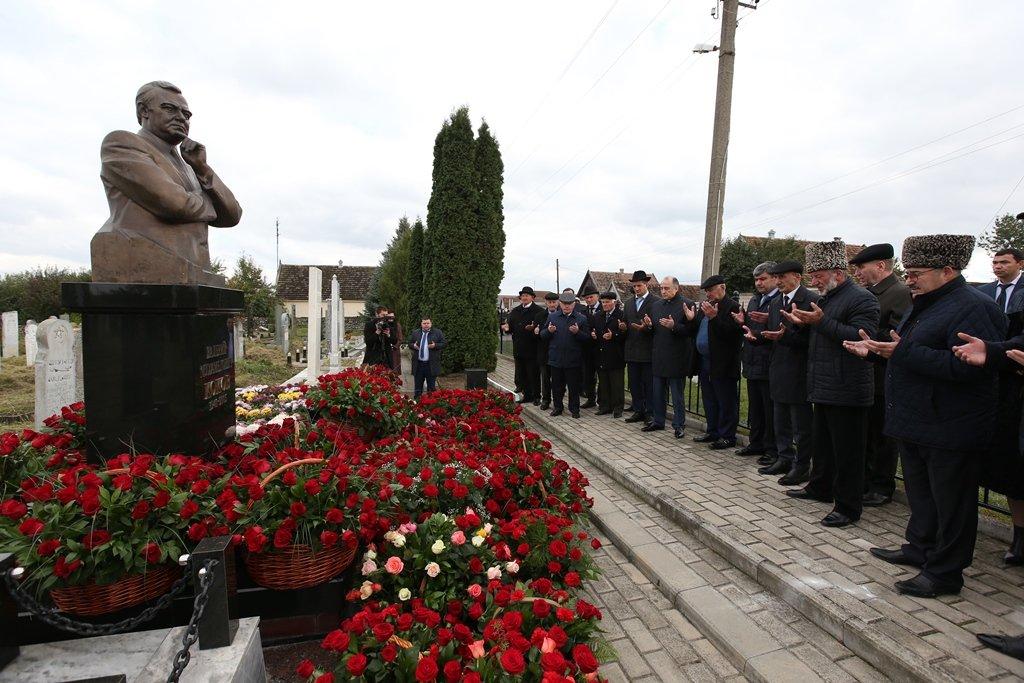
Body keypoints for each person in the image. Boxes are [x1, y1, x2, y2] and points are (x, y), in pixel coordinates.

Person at [849, 234, 1004, 598]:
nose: (909, 279)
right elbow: (906, 352)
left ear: (947, 270)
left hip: (950, 424)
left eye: (917, 272)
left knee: (951, 504)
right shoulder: (924, 303)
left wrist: (899, 354)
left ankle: (945, 573)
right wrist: (874, 352)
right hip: (916, 421)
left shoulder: (973, 307)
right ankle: (919, 547)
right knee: (923, 495)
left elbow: (969, 367)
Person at [92, 81, 243, 286]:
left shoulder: (190, 166)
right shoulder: (121, 144)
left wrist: (203, 168)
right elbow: (174, 203)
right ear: (144, 111)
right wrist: (211, 205)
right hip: (144, 265)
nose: (181, 117)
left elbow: (233, 215)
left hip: (192, 273)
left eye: (186, 114)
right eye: (169, 108)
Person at [785, 239, 879, 528]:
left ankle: (848, 507)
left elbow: (861, 336)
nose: (814, 281)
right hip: (824, 385)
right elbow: (818, 338)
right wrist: (799, 326)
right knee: (823, 445)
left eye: (819, 275)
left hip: (847, 387)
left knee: (848, 452)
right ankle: (820, 487)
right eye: (812, 276)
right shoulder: (827, 298)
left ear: (838, 272)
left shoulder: (862, 298)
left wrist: (820, 322)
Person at [849, 243, 912, 507]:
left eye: (862, 267)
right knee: (867, 435)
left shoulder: (899, 293)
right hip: (865, 376)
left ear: (881, 266)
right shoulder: (869, 293)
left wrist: (868, 338)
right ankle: (864, 481)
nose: (859, 273)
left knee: (883, 436)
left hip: (883, 378)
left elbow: (899, 333)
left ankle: (881, 486)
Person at [975, 246, 1024, 564]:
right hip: (1009, 389)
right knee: (1014, 471)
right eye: (994, 261)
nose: (997, 266)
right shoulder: (984, 293)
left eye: (1004, 261)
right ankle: (1020, 538)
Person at [751, 260, 820, 484]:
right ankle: (784, 457)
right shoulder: (776, 302)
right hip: (778, 368)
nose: (779, 281)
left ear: (797, 277)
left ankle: (802, 466)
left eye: (783, 277)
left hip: (799, 370)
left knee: (800, 424)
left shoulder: (811, 301)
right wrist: (758, 338)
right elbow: (774, 335)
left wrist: (785, 336)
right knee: (780, 419)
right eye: (777, 277)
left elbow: (812, 340)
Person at [733, 263, 780, 459]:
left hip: (769, 362)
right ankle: (756, 442)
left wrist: (759, 334)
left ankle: (771, 449)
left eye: (763, 279)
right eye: (756, 279)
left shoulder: (779, 301)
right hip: (752, 361)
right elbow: (749, 328)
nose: (759, 283)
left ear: (775, 278)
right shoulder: (754, 300)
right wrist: (742, 323)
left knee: (770, 410)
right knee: (755, 408)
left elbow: (778, 329)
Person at [692, 275, 744, 449]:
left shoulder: (732, 306)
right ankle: (712, 430)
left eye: (711, 290)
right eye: (706, 291)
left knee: (725, 400)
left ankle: (727, 436)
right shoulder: (706, 307)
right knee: (709, 399)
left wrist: (715, 318)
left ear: (722, 287)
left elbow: (733, 335)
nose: (708, 294)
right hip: (705, 361)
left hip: (723, 363)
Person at [642, 277, 697, 438]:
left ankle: (679, 425)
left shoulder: (687, 304)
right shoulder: (656, 305)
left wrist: (675, 327)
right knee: (657, 392)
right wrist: (649, 325)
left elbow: (691, 331)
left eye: (666, 288)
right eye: (661, 288)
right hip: (659, 355)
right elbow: (653, 332)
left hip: (677, 357)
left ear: (676, 288)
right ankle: (658, 421)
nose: (663, 291)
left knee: (677, 395)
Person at [540, 291, 591, 418]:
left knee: (573, 387)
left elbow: (587, 339)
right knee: (557, 386)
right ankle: (558, 407)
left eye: (569, 304)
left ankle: (575, 409)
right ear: (560, 304)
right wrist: (549, 331)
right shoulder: (553, 317)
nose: (566, 306)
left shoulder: (581, 318)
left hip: (573, 360)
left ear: (574, 304)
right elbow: (542, 335)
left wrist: (578, 332)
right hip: (556, 358)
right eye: (564, 304)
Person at [623, 271, 658, 425]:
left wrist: (647, 327)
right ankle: (638, 410)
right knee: (634, 383)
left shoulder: (655, 302)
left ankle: (650, 413)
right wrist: (623, 327)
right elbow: (625, 323)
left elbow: (657, 328)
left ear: (646, 284)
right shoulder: (628, 303)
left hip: (648, 351)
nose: (636, 288)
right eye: (634, 286)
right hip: (632, 351)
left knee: (649, 385)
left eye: (639, 285)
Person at [502, 287, 544, 405]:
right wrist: (506, 329)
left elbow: (541, 329)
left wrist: (534, 329)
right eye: (523, 295)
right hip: (519, 347)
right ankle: (527, 395)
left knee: (533, 374)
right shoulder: (516, 311)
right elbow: (510, 327)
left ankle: (536, 396)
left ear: (532, 297)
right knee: (522, 374)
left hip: (532, 348)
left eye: (527, 295)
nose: (524, 297)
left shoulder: (538, 311)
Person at [593, 291, 626, 417]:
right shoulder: (598, 315)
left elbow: (625, 335)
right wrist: (594, 335)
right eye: (603, 302)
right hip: (601, 354)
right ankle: (605, 406)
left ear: (614, 302)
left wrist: (615, 335)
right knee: (604, 383)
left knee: (616, 384)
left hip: (616, 355)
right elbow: (594, 330)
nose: (605, 304)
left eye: (607, 302)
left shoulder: (621, 315)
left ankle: (618, 408)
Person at [408, 317, 445, 398]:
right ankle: (417, 404)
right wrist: (413, 345)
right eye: (424, 323)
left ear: (431, 323)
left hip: (431, 365)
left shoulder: (437, 332)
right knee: (418, 387)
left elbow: (443, 343)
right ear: (421, 324)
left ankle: (431, 405)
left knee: (431, 388)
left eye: (428, 323)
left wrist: (435, 345)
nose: (426, 325)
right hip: (418, 365)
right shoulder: (415, 333)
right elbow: (409, 343)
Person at [535, 291, 560, 410]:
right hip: (544, 352)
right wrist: (535, 332)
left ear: (558, 302)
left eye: (554, 302)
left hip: (558, 352)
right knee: (545, 379)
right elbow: (537, 335)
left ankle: (557, 402)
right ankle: (545, 400)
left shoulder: (562, 314)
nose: (552, 305)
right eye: (550, 302)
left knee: (557, 380)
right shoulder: (540, 316)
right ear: (546, 303)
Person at [579, 286, 602, 409]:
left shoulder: (604, 308)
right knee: (588, 376)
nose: (588, 300)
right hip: (587, 349)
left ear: (597, 296)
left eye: (591, 297)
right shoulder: (583, 311)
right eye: (586, 298)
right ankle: (591, 399)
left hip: (601, 348)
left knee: (602, 377)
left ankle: (602, 400)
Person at [363, 305, 396, 370]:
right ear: (377, 314)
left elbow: (394, 341)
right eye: (383, 315)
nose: (385, 317)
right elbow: (368, 342)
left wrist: (389, 335)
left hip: (386, 358)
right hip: (372, 358)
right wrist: (377, 332)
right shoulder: (369, 325)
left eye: (386, 315)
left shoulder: (388, 325)